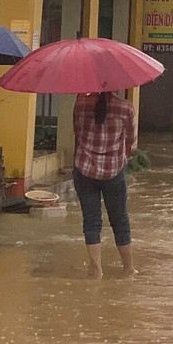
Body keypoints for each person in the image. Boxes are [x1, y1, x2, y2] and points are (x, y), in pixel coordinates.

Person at [73, 90, 137, 278]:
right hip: (114, 172)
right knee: (120, 220)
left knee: (91, 221)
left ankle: (96, 270)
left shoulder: (80, 103)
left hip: (84, 170)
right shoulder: (126, 108)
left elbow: (77, 133)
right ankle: (128, 269)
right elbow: (131, 142)